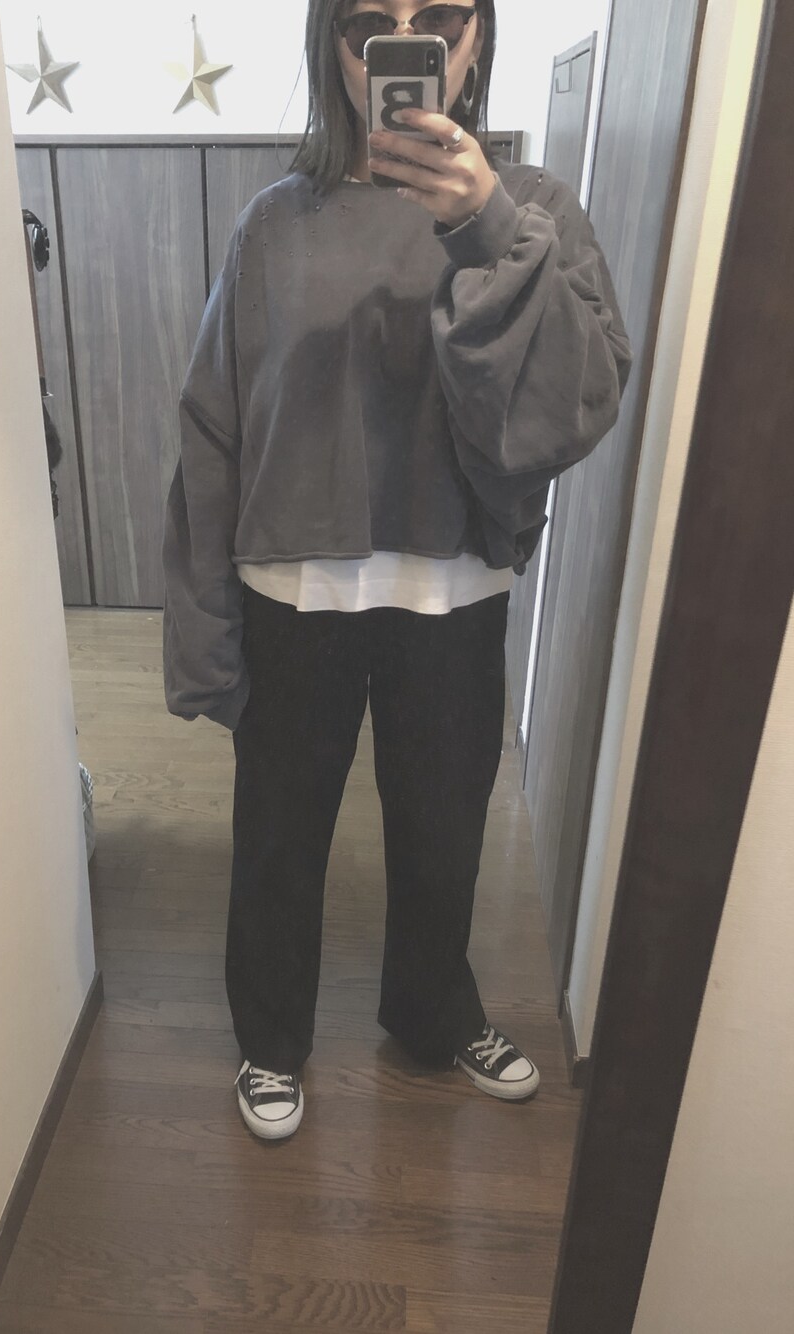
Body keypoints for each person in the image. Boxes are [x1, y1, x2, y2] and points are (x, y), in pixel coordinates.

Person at [162, 0, 631, 1141]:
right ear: (332, 46)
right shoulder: (275, 224)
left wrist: (483, 227)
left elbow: (574, 402)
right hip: (294, 591)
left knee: (443, 834)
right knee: (279, 836)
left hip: (453, 587)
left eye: (439, 17)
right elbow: (215, 428)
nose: (402, 43)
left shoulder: (537, 213)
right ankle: (270, 1036)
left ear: (476, 39)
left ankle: (432, 1012)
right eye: (369, 20)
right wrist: (201, 626)